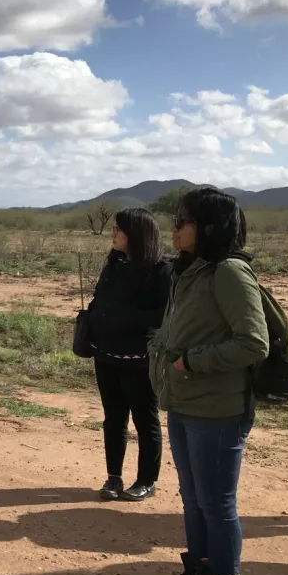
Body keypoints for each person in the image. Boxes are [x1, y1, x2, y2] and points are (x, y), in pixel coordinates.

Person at [148, 187, 267, 575]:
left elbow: (253, 342)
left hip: (217, 409)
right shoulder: (193, 271)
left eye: (183, 221)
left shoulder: (230, 273)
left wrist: (192, 362)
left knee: (217, 504)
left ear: (209, 227)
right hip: (183, 401)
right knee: (194, 500)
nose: (174, 228)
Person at [87, 208, 171, 502]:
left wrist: (122, 317)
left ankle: (147, 480)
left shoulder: (162, 270)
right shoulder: (114, 264)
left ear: (135, 234)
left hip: (140, 358)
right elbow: (100, 299)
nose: (113, 234)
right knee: (113, 418)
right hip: (106, 354)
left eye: (118, 229)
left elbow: (163, 314)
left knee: (145, 420)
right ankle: (113, 477)